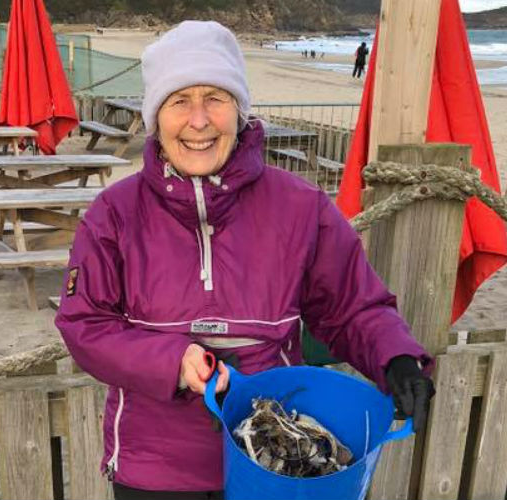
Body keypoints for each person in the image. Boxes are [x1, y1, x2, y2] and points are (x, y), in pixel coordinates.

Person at [55, 21, 435, 500]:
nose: (199, 120)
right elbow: (84, 324)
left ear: (239, 110)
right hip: (154, 468)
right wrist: (174, 361)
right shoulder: (113, 213)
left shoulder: (302, 207)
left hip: (277, 466)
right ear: (156, 116)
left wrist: (396, 359)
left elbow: (352, 307)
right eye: (179, 101)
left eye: (215, 97)